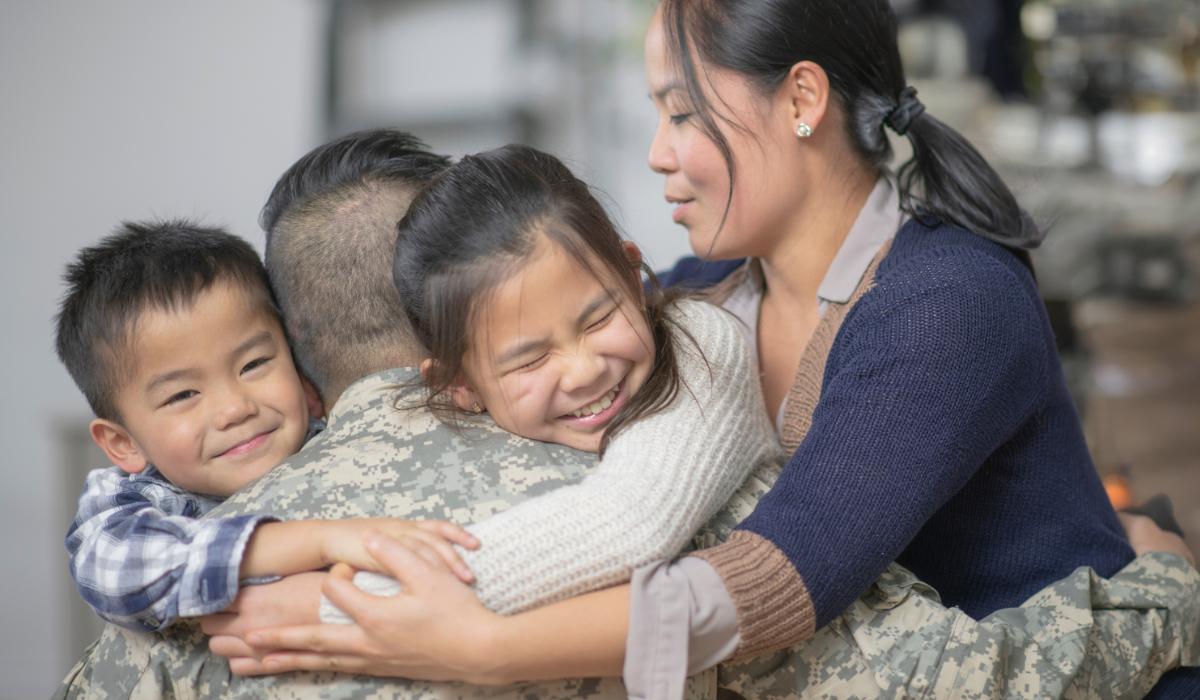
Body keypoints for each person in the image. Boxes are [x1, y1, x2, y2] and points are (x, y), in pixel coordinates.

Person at [225, 1, 1200, 698]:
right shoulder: (697, 299)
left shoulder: (945, 299)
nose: (657, 151)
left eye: (682, 111)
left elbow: (776, 583)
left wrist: (473, 647)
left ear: (802, 99)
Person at [55, 220, 475, 634]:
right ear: (123, 443)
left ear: (299, 368)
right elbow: (114, 568)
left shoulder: (335, 432)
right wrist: (319, 541)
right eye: (182, 395)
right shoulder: (134, 498)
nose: (234, 409)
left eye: (253, 364)